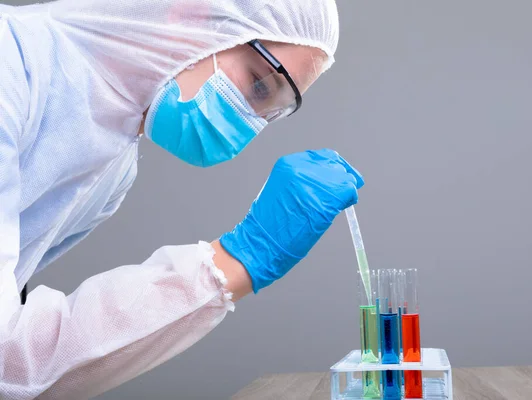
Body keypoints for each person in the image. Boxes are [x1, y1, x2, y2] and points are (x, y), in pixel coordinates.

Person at [0, 0, 364, 399]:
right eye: (260, 84)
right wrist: (239, 260)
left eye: (273, 109)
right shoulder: (11, 68)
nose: (251, 121)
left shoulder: (113, 173)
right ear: (186, 16)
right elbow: (8, 360)